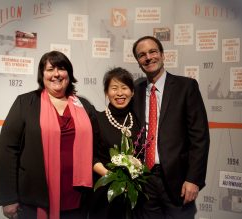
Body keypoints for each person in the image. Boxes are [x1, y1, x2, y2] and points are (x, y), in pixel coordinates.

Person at [0, 51, 98, 219]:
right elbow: (8, 150)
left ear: (69, 74)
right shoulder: (25, 103)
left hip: (77, 197)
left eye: (61, 68)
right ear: (42, 74)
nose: (56, 74)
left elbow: (97, 145)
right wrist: (8, 198)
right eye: (50, 69)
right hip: (35, 199)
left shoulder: (84, 105)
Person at [131, 36, 210, 219]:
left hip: (178, 180)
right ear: (138, 62)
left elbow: (200, 137)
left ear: (162, 55)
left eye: (152, 52)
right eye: (142, 55)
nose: (148, 58)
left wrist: (193, 179)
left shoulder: (186, 87)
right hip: (145, 179)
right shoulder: (136, 90)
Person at [89, 67, 141, 219]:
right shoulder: (97, 119)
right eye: (114, 88)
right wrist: (115, 179)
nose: (119, 93)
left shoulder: (138, 122)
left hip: (135, 196)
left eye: (124, 88)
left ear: (132, 92)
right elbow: (90, 157)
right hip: (104, 193)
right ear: (106, 92)